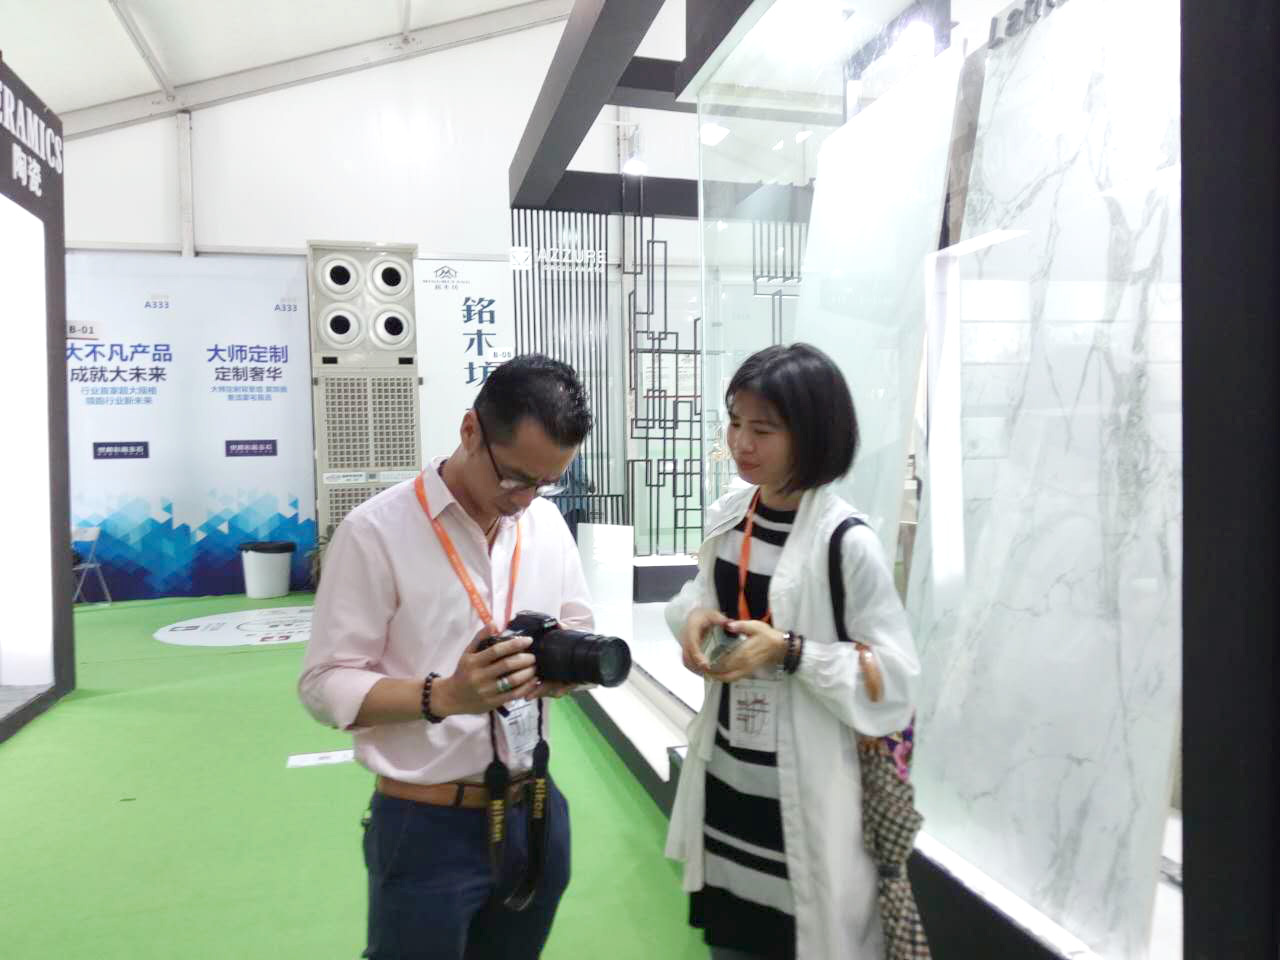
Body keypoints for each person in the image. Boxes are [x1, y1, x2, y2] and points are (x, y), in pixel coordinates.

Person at [298, 353, 594, 960]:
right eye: (515, 477)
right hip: (427, 824)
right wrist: (447, 695)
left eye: (546, 482)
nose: (526, 499)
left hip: (536, 808)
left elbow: (579, 625)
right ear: (469, 430)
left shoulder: (544, 524)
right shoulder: (375, 532)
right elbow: (324, 684)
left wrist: (562, 671)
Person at [664, 343, 921, 959]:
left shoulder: (846, 541)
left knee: (800, 938)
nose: (741, 443)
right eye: (735, 422)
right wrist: (692, 618)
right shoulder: (732, 515)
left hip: (804, 795)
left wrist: (791, 651)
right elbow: (698, 594)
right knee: (733, 941)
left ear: (812, 433)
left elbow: (895, 678)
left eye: (763, 429)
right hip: (728, 782)